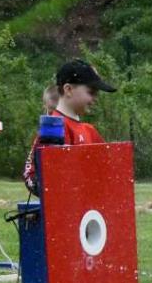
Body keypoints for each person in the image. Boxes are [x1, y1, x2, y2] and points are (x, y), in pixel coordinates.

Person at [22, 59, 116, 193]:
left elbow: (107, 170)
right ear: (68, 90)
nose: (95, 98)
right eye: (91, 92)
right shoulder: (54, 127)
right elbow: (45, 179)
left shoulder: (90, 130)